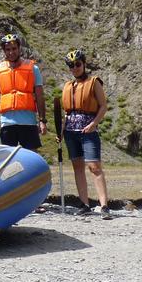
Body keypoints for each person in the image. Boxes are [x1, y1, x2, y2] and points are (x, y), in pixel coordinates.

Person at [57, 48, 111, 219]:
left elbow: (103, 106)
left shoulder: (94, 82)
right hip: (70, 131)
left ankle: (104, 206)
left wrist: (94, 124)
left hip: (88, 130)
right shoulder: (68, 86)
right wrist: (60, 131)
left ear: (84, 64)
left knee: (94, 167)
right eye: (71, 66)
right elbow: (66, 113)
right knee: (77, 167)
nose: (75, 68)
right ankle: (84, 204)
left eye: (78, 64)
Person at [0, 33, 46, 150]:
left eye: (14, 49)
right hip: (7, 123)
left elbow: (39, 96)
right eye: (7, 49)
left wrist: (42, 121)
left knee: (30, 157)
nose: (11, 52)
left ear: (19, 48)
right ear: (4, 51)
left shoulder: (33, 69)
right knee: (7, 160)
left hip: (28, 123)